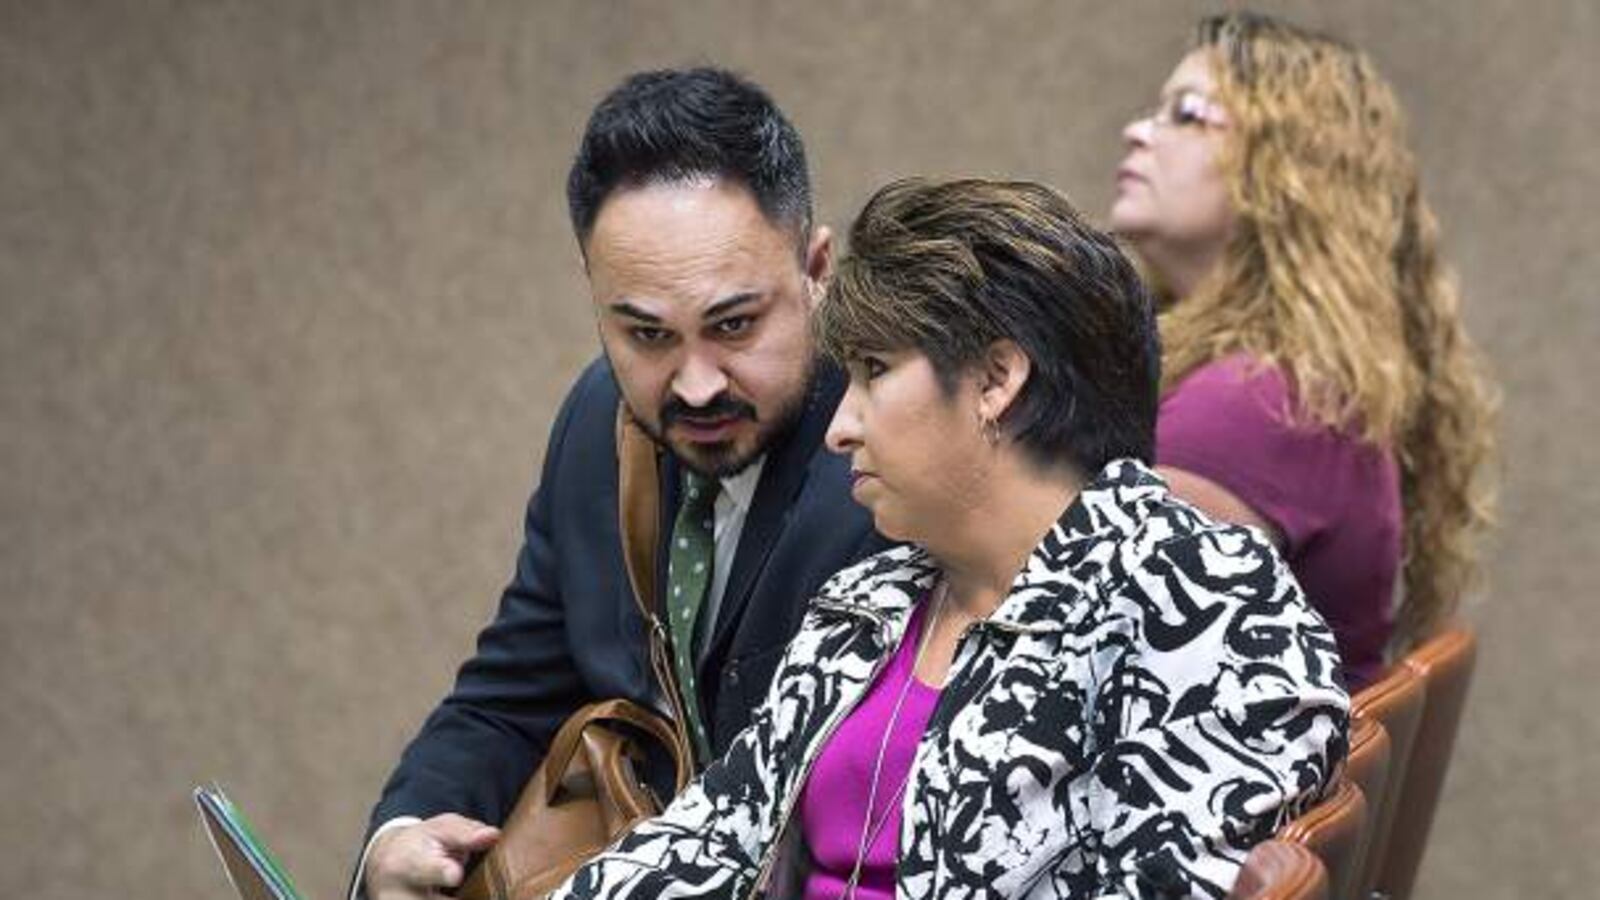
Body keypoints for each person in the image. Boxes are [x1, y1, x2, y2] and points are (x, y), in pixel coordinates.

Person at [552, 178, 1348, 899]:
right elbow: (717, 834)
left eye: (875, 371)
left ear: (996, 380)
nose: (839, 428)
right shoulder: (873, 599)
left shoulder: (1201, 600)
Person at [356, 67, 889, 900]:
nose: (697, 384)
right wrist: (400, 836)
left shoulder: (890, 461)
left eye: (735, 325)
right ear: (595, 297)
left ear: (817, 268)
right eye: (646, 334)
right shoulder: (597, 421)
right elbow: (508, 697)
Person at [1109, 12, 1497, 688]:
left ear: (1285, 171)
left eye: (1186, 114)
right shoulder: (1290, 379)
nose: (1137, 131)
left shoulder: (1252, 410)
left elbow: (1094, 665)